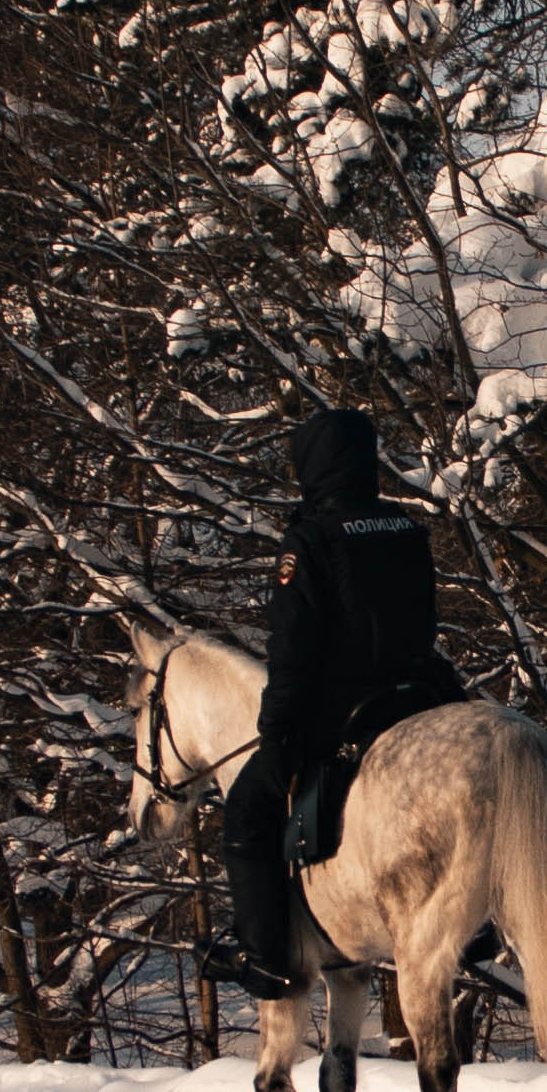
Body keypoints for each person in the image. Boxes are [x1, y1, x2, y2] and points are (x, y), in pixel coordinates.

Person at [202, 407, 459, 1000]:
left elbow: (292, 649)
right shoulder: (405, 527)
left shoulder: (309, 541)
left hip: (344, 706)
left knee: (246, 811)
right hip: (418, 693)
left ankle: (265, 959)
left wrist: (277, 733)